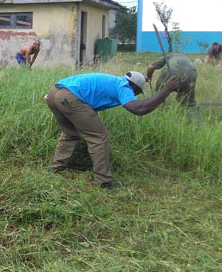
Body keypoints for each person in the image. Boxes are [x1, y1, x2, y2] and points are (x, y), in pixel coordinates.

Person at [45, 71, 179, 190]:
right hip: (70, 97)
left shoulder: (113, 80)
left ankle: (55, 167)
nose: (134, 95)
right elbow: (139, 109)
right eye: (136, 93)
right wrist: (166, 90)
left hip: (54, 93)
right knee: (99, 137)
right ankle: (104, 182)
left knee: (70, 133)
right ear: (133, 87)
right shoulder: (124, 86)